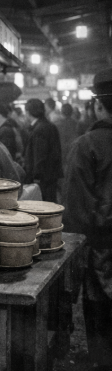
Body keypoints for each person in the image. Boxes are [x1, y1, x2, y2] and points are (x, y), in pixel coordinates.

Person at [63, 68, 112, 370]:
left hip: (101, 250)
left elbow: (76, 210)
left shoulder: (87, 145)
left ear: (97, 105)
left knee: (101, 314)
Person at [24, 98, 63, 203]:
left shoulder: (39, 129)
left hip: (43, 180)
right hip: (50, 177)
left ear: (28, 112)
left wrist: (36, 179)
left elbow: (39, 157)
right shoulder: (49, 125)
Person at [54, 103, 79, 172]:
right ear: (72, 112)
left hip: (61, 154)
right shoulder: (77, 124)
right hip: (74, 153)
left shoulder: (56, 125)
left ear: (61, 112)